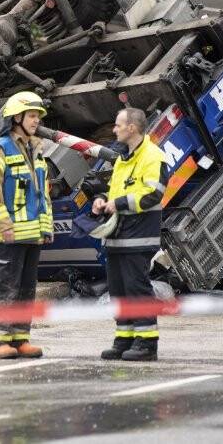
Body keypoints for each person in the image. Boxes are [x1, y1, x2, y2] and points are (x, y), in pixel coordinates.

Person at [0, 91, 54, 360]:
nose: (36, 121)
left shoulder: (36, 150)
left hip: (33, 234)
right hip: (8, 235)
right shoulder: (0, 149)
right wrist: (4, 224)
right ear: (16, 118)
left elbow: (42, 194)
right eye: (32, 116)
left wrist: (47, 227)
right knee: (7, 288)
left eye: (37, 116)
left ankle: (20, 338)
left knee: (26, 289)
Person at [92, 107, 169, 362]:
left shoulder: (153, 156)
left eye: (117, 125)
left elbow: (153, 194)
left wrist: (119, 203)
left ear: (132, 128)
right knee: (119, 291)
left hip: (138, 237)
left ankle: (146, 344)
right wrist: (102, 200)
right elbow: (114, 191)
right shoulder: (123, 159)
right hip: (118, 236)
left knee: (137, 289)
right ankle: (124, 339)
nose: (114, 130)